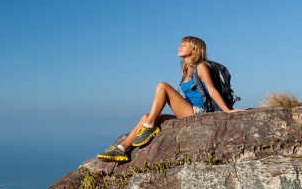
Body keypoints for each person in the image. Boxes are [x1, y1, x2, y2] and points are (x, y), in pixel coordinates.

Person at [97, 36, 243, 162]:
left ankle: (148, 127)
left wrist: (227, 111)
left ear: (194, 49)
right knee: (146, 116)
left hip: (198, 112)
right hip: (188, 110)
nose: (179, 47)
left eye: (184, 45)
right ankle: (122, 149)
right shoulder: (185, 69)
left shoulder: (201, 66)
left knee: (162, 86)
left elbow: (211, 90)